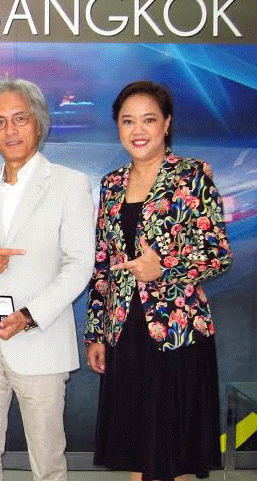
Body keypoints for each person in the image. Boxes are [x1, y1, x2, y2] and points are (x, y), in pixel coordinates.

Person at [85, 81, 232, 481]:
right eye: (128, 121)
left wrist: (164, 267)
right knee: (137, 453)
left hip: (176, 333)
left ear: (166, 124)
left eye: (148, 120)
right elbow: (104, 264)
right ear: (117, 126)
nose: (138, 130)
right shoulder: (111, 184)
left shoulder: (191, 175)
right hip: (123, 333)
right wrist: (96, 334)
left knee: (171, 457)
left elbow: (218, 254)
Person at [0, 77, 95, 481]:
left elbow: (79, 265)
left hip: (40, 340)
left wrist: (28, 316)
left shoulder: (70, 184)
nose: (10, 130)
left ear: (39, 122)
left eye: (20, 118)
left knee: (48, 464)